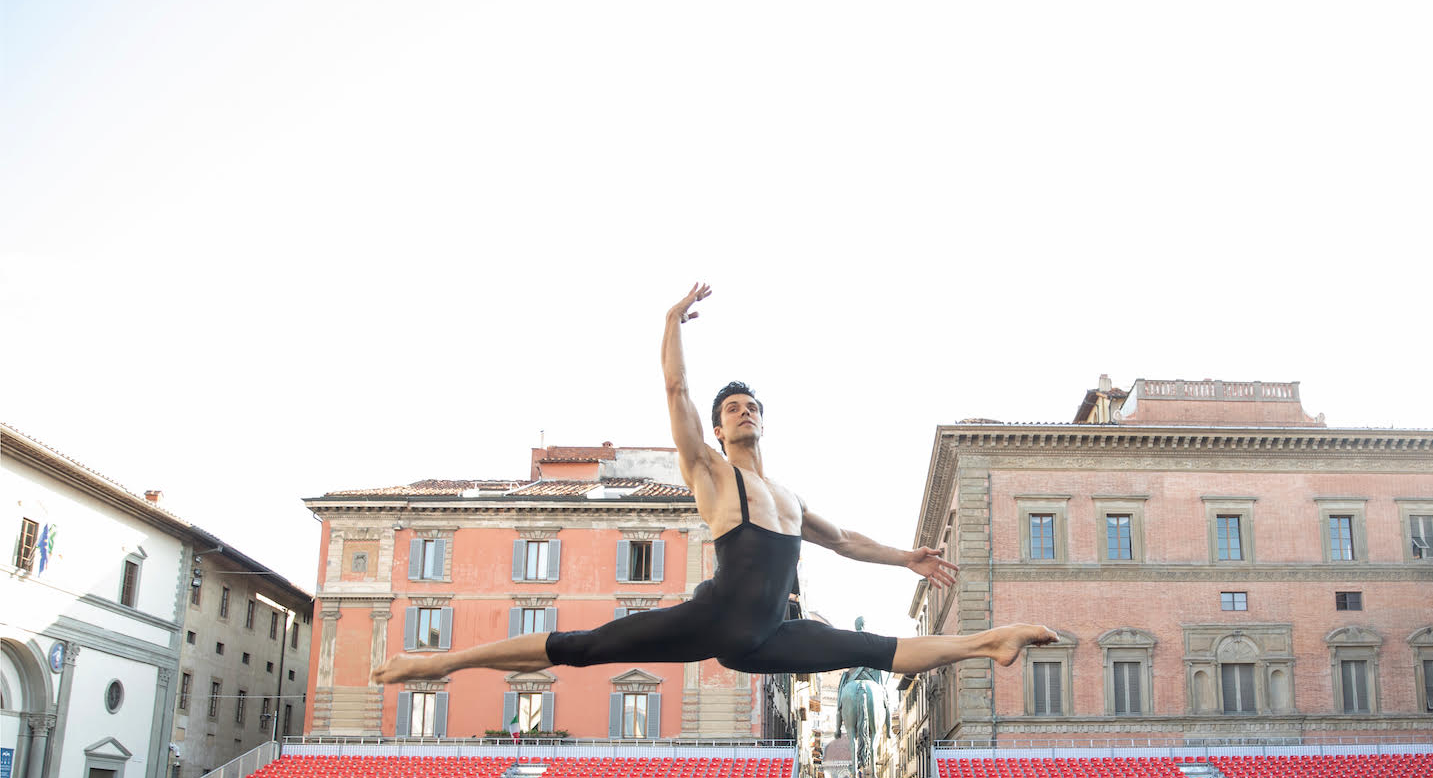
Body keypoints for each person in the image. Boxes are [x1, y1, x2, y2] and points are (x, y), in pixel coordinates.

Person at [371, 282, 1056, 687]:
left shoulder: (787, 498)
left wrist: (905, 556)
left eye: (751, 405)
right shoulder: (710, 470)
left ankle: (991, 639)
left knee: (883, 652)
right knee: (582, 648)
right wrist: (671, 323)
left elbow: (844, 540)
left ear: (764, 421)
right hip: (716, 617)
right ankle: (440, 664)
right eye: (732, 409)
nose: (743, 411)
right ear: (719, 432)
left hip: (767, 638)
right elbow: (676, 387)